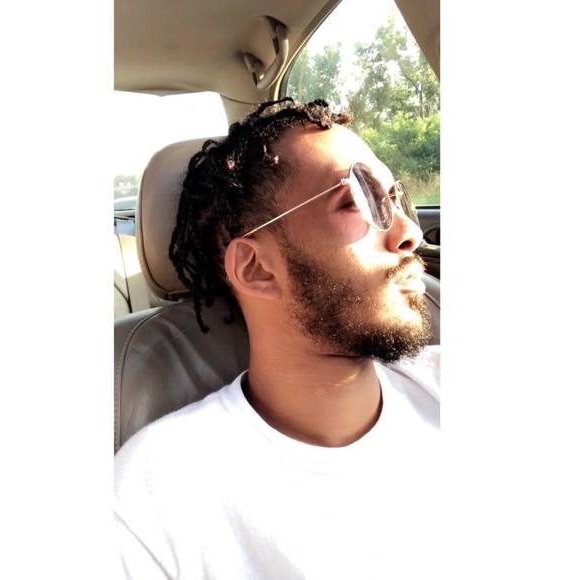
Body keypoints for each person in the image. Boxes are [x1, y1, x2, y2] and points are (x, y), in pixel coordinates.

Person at [114, 99, 440, 579]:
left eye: (396, 199)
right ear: (256, 268)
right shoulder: (154, 497)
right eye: (359, 200)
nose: (409, 232)